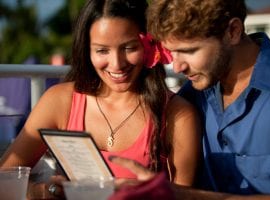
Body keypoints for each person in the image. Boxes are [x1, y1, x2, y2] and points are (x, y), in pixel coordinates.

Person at [0, 0, 201, 195]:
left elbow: (186, 196)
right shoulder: (59, 101)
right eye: (102, 50)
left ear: (150, 44)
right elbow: (4, 179)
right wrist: (41, 192)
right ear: (86, 51)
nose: (116, 64)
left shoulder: (178, 115)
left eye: (129, 48)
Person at [109, 0, 270, 199]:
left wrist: (182, 195)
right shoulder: (191, 96)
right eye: (172, 52)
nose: (177, 67)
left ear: (233, 31)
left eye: (189, 51)